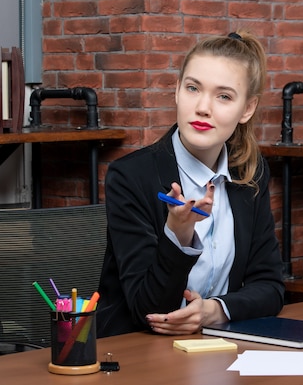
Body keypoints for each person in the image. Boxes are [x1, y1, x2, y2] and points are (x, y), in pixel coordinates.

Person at [96, 31, 285, 337]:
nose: (203, 108)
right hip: (138, 356)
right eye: (193, 88)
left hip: (218, 350)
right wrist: (178, 237)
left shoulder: (250, 174)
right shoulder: (131, 176)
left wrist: (214, 310)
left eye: (223, 96)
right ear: (177, 91)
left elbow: (270, 287)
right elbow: (148, 310)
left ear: (247, 109)